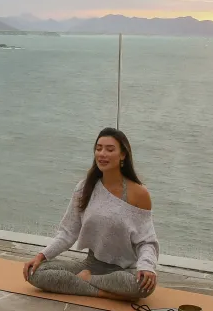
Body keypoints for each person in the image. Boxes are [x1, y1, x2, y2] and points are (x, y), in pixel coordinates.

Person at [23, 127, 158, 300]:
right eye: (98, 148)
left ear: (123, 154)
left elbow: (147, 242)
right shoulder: (84, 188)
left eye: (110, 149)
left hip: (124, 271)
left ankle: (87, 281)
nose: (102, 154)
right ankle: (107, 293)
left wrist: (146, 266)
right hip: (91, 264)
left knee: (143, 287)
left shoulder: (139, 193)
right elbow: (68, 232)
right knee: (36, 272)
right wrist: (41, 256)